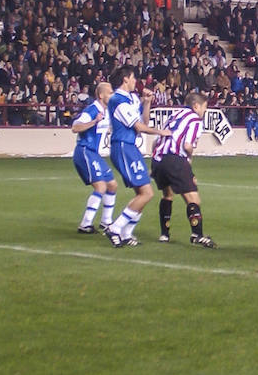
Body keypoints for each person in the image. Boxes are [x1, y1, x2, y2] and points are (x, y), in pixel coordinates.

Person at [104, 66, 173, 247]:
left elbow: (144, 121)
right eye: (134, 77)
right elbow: (139, 127)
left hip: (130, 148)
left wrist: (147, 102)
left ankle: (126, 234)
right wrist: (161, 132)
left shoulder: (131, 99)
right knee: (146, 193)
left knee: (142, 193)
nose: (136, 81)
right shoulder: (117, 100)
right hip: (123, 147)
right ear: (126, 79)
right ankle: (115, 228)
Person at [152, 91, 217, 248]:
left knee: (167, 195)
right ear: (196, 106)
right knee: (193, 199)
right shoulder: (195, 120)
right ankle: (197, 235)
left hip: (158, 159)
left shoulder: (175, 115)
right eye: (204, 108)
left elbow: (156, 141)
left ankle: (164, 234)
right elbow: (187, 145)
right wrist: (189, 163)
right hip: (175, 159)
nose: (204, 112)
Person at [72, 81, 117, 234]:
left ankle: (106, 222)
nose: (112, 95)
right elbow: (75, 127)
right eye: (109, 92)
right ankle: (85, 224)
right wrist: (94, 121)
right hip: (85, 151)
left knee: (112, 185)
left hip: (94, 154)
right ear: (101, 95)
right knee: (101, 186)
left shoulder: (107, 111)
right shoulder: (92, 110)